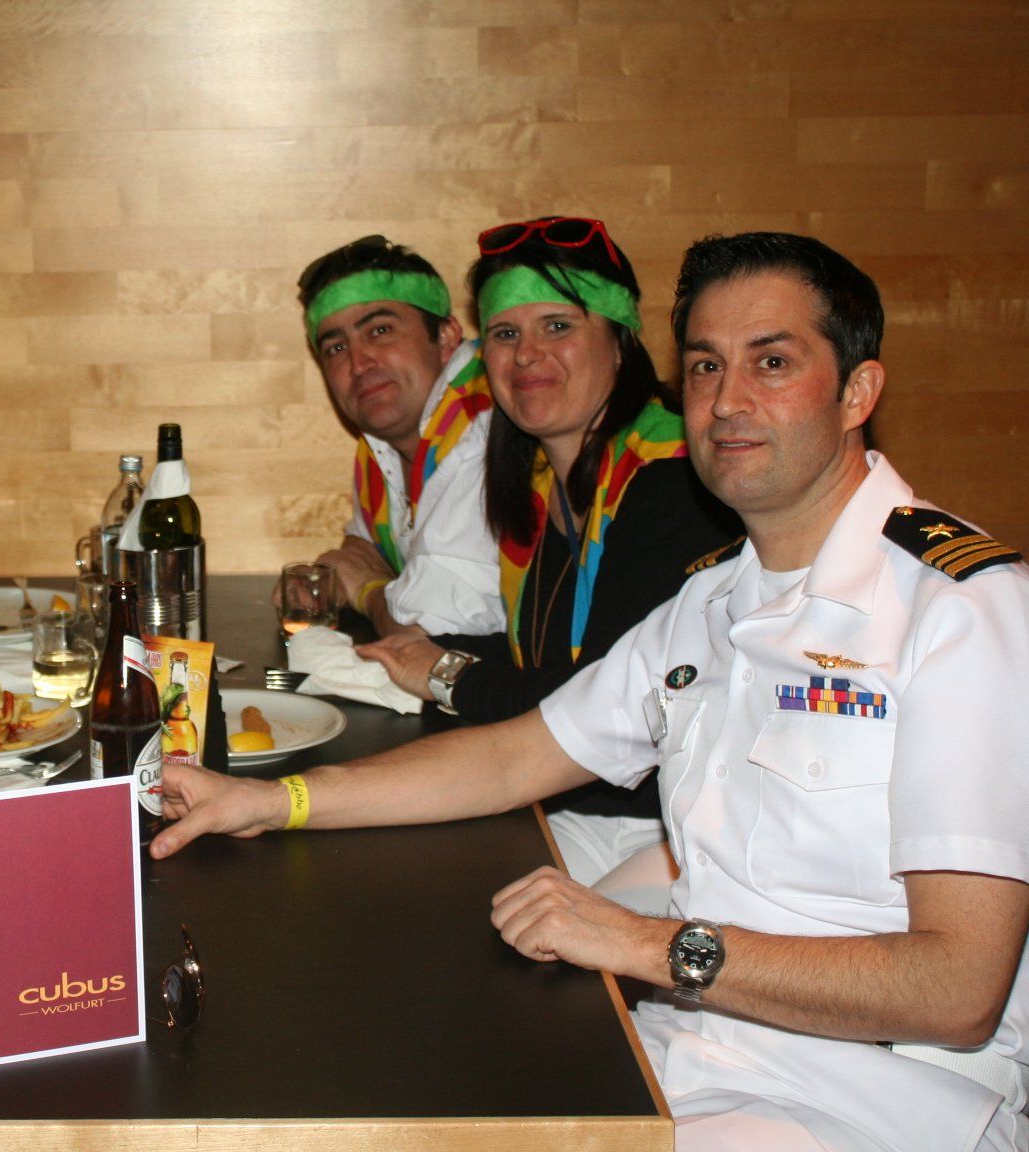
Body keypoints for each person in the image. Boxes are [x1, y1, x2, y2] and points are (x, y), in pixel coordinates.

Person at [155, 234, 1029, 1151]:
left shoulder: (961, 610)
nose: (728, 400)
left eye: (772, 362)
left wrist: (641, 943)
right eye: (706, 365)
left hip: (881, 1101)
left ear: (858, 391)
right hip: (698, 1053)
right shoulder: (712, 602)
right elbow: (514, 756)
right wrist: (272, 801)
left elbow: (956, 991)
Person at [358, 217, 739, 904]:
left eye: (557, 326)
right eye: (505, 334)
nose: (526, 355)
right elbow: (539, 660)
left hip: (677, 828)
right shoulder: (539, 482)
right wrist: (423, 653)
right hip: (578, 805)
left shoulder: (671, 482)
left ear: (620, 340)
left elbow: (597, 699)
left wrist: (445, 672)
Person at [295, 234, 504, 638]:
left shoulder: (484, 428)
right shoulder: (381, 444)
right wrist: (342, 569)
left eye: (380, 330)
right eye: (335, 348)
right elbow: (365, 547)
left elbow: (428, 637)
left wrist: (368, 591)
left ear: (446, 336)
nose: (358, 363)